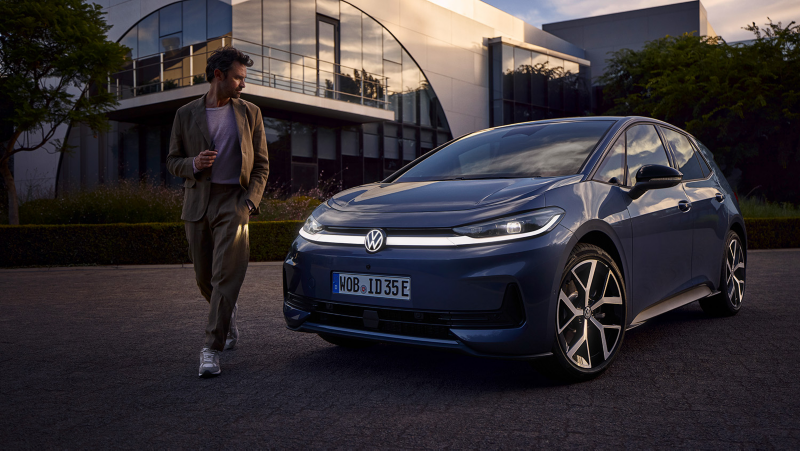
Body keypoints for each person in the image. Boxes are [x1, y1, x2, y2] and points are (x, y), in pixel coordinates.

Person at [167, 46, 269, 378]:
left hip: (235, 202)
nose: (243, 84)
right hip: (198, 202)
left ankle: (211, 349)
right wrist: (193, 164)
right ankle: (227, 313)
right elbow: (171, 161)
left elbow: (262, 166)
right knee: (204, 278)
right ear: (219, 75)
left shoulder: (251, 112)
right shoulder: (185, 114)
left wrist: (250, 202)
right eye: (239, 77)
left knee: (226, 275)